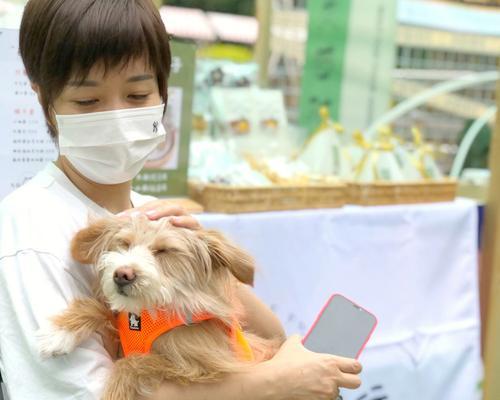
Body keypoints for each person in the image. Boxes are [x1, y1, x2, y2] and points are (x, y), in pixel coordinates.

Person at [0, 1, 363, 399]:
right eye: (88, 102)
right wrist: (277, 383)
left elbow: (267, 333)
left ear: (163, 92)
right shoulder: (30, 234)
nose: (118, 117)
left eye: (137, 95)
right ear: (43, 99)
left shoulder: (152, 211)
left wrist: (207, 261)